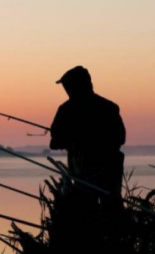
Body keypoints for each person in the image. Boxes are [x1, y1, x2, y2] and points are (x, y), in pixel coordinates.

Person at [49, 66, 126, 209]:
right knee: (113, 208)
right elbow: (121, 138)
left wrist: (72, 141)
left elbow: (54, 143)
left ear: (73, 86)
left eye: (66, 86)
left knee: (85, 211)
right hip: (110, 172)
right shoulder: (109, 107)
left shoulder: (66, 110)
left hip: (83, 174)